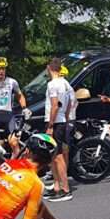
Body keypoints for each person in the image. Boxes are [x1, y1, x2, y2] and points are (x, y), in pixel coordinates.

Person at [44, 58, 73, 202]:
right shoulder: (65, 83)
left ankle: (65, 189)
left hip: (55, 122)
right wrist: (66, 116)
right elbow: (70, 103)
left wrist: (50, 125)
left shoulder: (52, 84)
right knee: (53, 156)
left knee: (58, 156)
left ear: (49, 68)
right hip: (61, 120)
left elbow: (54, 105)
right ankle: (56, 186)